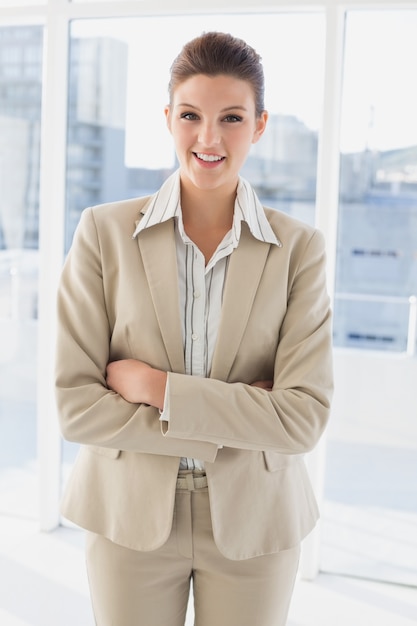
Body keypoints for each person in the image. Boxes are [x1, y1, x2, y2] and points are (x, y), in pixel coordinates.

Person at [55, 31, 333, 626]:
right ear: (168, 118)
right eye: (191, 115)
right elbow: (76, 407)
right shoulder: (102, 233)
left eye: (231, 118)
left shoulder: (299, 250)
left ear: (259, 126)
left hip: (257, 522)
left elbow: (303, 418)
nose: (209, 138)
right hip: (127, 518)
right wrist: (240, 419)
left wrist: (161, 390)